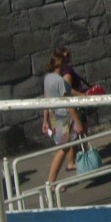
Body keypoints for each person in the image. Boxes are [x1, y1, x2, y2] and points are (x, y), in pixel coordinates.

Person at [42, 52, 83, 184]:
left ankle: (52, 181)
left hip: (55, 116)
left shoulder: (47, 78)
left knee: (64, 147)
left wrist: (45, 120)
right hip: (63, 117)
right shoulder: (59, 80)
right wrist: (77, 122)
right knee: (63, 149)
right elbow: (68, 103)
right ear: (60, 64)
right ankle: (51, 182)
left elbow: (46, 99)